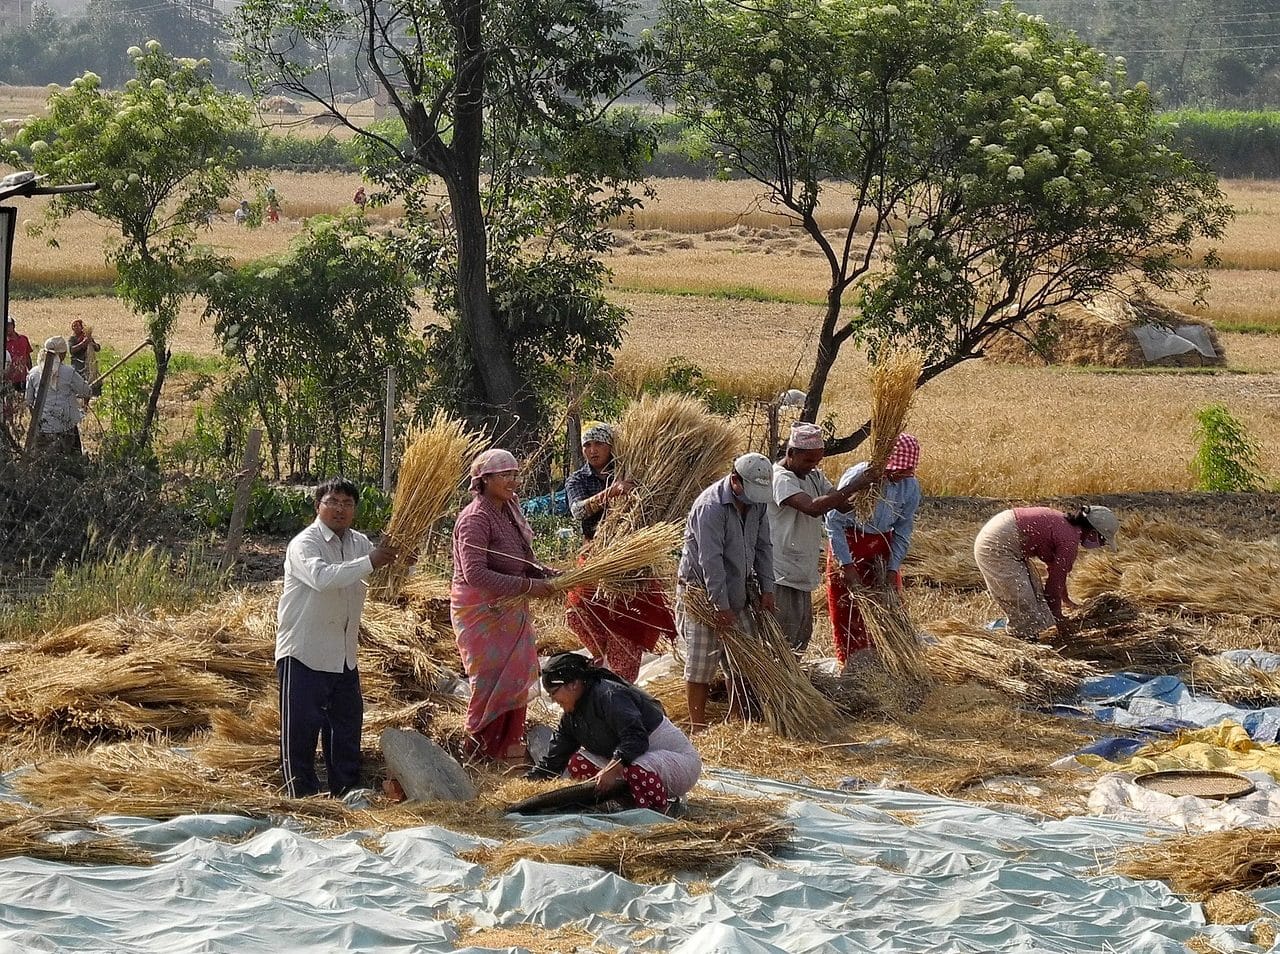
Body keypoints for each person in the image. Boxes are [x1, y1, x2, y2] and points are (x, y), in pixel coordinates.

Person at [276, 478, 403, 798]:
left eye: (347, 504)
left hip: (344, 654)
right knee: (301, 730)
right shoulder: (305, 544)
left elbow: (385, 580)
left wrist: (402, 562)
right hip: (305, 652)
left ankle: (346, 791)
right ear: (317, 506)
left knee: (346, 728)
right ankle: (301, 796)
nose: (340, 509)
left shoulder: (359, 542)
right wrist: (374, 560)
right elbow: (323, 578)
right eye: (332, 502)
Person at [451, 448, 556, 763]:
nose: (513, 480)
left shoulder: (509, 511)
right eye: (504, 474)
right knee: (488, 681)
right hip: (481, 610)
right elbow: (476, 573)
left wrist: (547, 576)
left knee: (516, 675)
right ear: (485, 480)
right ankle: (479, 751)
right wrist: (528, 586)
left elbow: (519, 560)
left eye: (515, 473)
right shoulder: (475, 518)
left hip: (510, 608)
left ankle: (508, 750)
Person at [563, 423, 676, 681]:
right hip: (595, 555)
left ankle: (622, 681)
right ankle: (602, 656)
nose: (592, 451)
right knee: (577, 611)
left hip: (630, 560)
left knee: (628, 623)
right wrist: (611, 492)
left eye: (599, 444)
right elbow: (578, 510)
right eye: (587, 445)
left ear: (611, 446)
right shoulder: (578, 479)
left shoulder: (630, 470)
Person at [527, 653, 702, 813]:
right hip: (635, 761)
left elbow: (636, 738)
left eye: (553, 693)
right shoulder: (571, 717)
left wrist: (614, 768)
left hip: (678, 764)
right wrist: (526, 786)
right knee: (577, 762)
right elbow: (554, 760)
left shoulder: (609, 695)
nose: (553, 700)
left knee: (634, 769)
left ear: (573, 684)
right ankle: (625, 803)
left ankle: (660, 811)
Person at [676, 452, 776, 731]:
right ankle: (698, 726)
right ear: (735, 480)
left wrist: (768, 588)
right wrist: (720, 606)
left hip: (739, 588)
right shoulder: (710, 507)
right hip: (702, 593)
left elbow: (763, 546)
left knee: (741, 661)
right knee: (701, 663)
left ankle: (737, 719)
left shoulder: (757, 504)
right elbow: (711, 561)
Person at [768, 422, 879, 651]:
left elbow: (842, 505)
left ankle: (792, 681)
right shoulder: (780, 478)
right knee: (781, 636)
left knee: (801, 635)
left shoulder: (813, 476)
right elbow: (813, 507)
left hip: (802, 568)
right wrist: (855, 484)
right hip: (781, 570)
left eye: (817, 461)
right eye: (808, 461)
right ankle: (778, 682)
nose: (813, 466)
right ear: (791, 453)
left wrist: (869, 490)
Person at [823, 433, 923, 669]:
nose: (902, 475)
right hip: (849, 544)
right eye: (898, 470)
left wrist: (892, 568)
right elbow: (834, 522)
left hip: (881, 549)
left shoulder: (909, 486)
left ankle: (887, 662)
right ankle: (851, 665)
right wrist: (846, 566)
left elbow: (903, 529)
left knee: (888, 606)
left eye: (907, 470)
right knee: (848, 609)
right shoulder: (860, 477)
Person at [973, 504, 1119, 639]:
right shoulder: (1069, 541)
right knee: (1023, 602)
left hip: (1004, 534)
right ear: (1093, 532)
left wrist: (1065, 599)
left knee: (1036, 597)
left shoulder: (1067, 528)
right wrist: (1059, 619)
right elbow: (1053, 587)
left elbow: (1056, 574)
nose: (1101, 545)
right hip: (996, 545)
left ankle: (1028, 636)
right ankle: (1022, 644)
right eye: (1103, 541)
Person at [24, 337, 92, 455]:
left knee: (42, 462)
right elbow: (86, 392)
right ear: (62, 354)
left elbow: (28, 401)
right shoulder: (68, 372)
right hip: (66, 427)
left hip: (42, 427)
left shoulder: (33, 373)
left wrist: (38, 421)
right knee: (72, 460)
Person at [3, 317, 32, 426]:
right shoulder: (3, 342)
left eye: (9, 325)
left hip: (22, 376)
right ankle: (10, 423)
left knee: (25, 400)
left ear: (13, 326)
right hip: (9, 378)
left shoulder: (23, 339)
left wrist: (31, 371)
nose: (7, 328)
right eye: (5, 326)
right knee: (9, 401)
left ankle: (25, 421)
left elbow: (27, 356)